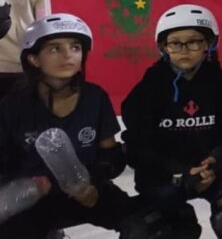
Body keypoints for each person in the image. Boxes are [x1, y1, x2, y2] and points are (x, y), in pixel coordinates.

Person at [121, 4, 222, 238]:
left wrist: (215, 160)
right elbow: (137, 146)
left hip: (213, 170)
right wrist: (182, 173)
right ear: (163, 47)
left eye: (194, 41)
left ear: (208, 45)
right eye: (175, 43)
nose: (185, 49)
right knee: (154, 231)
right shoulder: (149, 89)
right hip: (162, 174)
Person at [0, 13, 139, 237]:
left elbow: (110, 156)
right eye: (55, 49)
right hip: (32, 199)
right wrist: (23, 186)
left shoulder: (94, 97)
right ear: (34, 59)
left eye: (75, 47)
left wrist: (93, 183)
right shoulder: (13, 105)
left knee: (150, 226)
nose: (68, 55)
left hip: (86, 191)